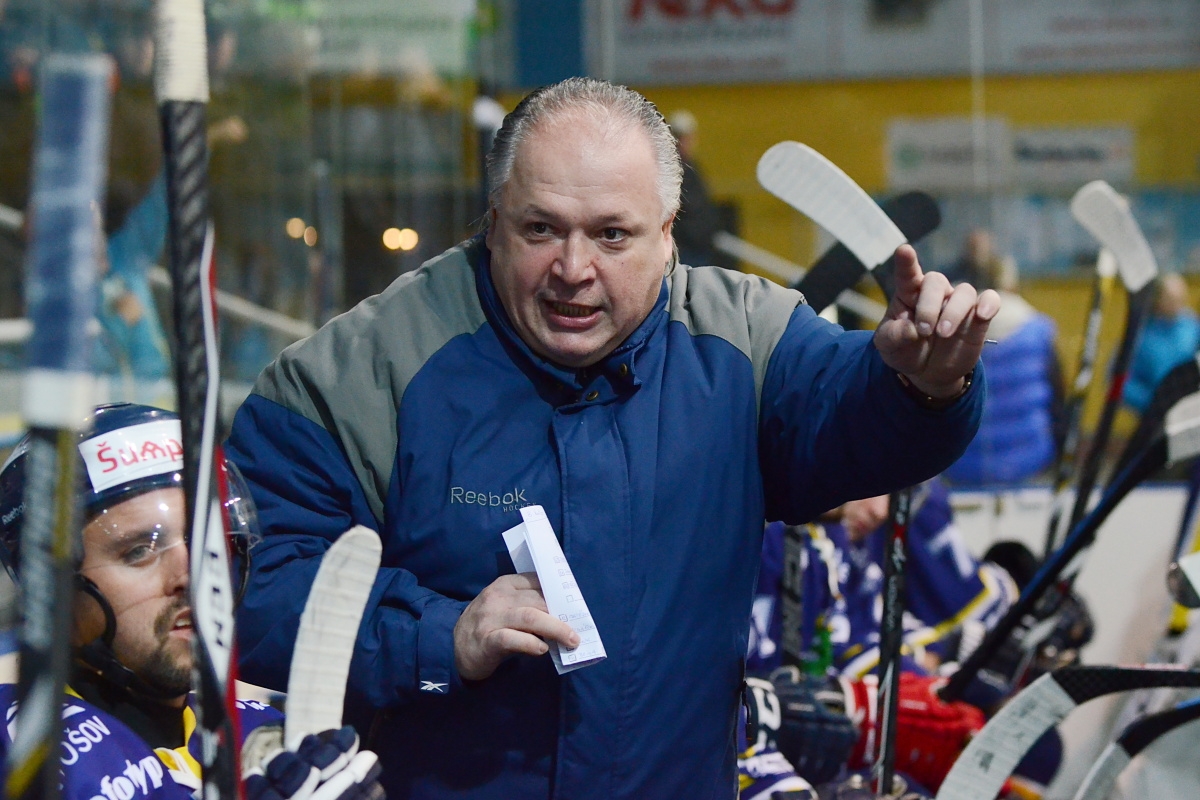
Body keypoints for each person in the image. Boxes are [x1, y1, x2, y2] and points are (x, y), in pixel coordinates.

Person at [225, 77, 998, 799]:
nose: (573, 268)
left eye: (612, 235)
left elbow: (855, 419)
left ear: (667, 235)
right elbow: (257, 599)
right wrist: (440, 634)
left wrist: (922, 384)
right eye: (541, 229)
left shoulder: (745, 345)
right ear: (492, 222)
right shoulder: (353, 379)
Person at [0, 403, 384, 800]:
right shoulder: (22, 750)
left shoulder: (265, 737)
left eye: (206, 542)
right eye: (139, 551)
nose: (192, 577)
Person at [942, 230, 1060, 486]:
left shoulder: (949, 328)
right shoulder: (1037, 329)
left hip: (962, 465)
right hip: (1030, 460)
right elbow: (1057, 397)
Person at [1124, 272, 1200, 413]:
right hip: (1158, 414)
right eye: (1171, 298)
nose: (1177, 303)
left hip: (1192, 409)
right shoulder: (1140, 335)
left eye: (1180, 298)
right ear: (1158, 298)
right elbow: (1122, 380)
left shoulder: (1193, 327)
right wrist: (1151, 402)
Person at [667, 109, 722, 268]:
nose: (683, 142)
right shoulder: (668, 170)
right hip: (683, 249)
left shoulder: (692, 169)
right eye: (679, 137)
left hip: (699, 247)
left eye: (686, 137)